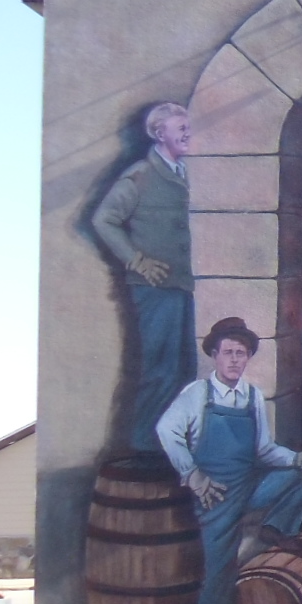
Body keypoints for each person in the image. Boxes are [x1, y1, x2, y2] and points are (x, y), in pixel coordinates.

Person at [156, 317, 302, 604]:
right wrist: (194, 476)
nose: (235, 359)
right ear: (215, 356)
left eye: (241, 353)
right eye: (228, 352)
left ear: (248, 357)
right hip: (215, 496)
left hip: (249, 486)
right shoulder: (197, 395)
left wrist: (298, 458)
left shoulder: (251, 396)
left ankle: (275, 528)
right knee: (220, 574)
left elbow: (263, 450)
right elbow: (166, 431)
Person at [91, 102, 196, 452]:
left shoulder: (188, 172)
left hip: (187, 286)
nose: (187, 132)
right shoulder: (140, 175)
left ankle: (175, 445)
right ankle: (146, 447)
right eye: (180, 127)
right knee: (160, 369)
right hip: (156, 287)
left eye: (188, 126)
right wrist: (136, 260)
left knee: (186, 369)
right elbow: (103, 219)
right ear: (158, 133)